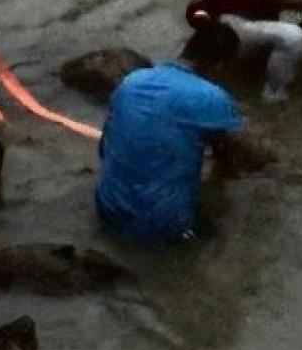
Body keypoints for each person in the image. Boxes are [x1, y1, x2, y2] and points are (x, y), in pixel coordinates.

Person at [94, 23, 244, 246]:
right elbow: (231, 155)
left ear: (186, 48)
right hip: (161, 224)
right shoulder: (211, 97)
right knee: (223, 238)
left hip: (106, 207)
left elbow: (103, 147)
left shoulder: (131, 81)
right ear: (221, 65)